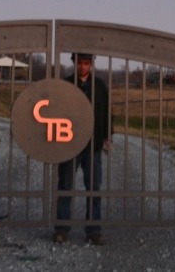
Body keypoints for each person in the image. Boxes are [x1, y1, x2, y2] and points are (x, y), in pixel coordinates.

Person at [54, 52, 112, 245]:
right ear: (74, 63)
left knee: (94, 187)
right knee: (65, 186)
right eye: (80, 63)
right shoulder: (66, 85)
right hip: (69, 143)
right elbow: (57, 111)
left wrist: (107, 137)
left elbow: (106, 112)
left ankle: (93, 230)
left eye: (87, 63)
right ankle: (62, 229)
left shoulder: (100, 86)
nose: (83, 67)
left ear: (91, 65)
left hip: (93, 144)